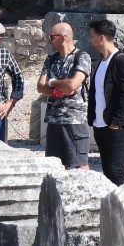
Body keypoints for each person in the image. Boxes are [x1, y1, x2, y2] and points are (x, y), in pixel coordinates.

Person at [86, 19, 124, 186]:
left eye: (91, 35)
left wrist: (116, 122)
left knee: (116, 172)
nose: (89, 39)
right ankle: (111, 210)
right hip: (100, 126)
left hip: (118, 127)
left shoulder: (123, 61)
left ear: (101, 38)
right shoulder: (100, 62)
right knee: (107, 173)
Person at [38, 22, 92, 170]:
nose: (49, 41)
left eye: (52, 37)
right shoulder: (51, 58)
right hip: (54, 121)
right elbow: (40, 86)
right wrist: (58, 89)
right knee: (55, 168)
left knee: (79, 167)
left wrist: (52, 81)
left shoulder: (82, 57)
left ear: (62, 37)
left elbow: (72, 85)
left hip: (74, 122)